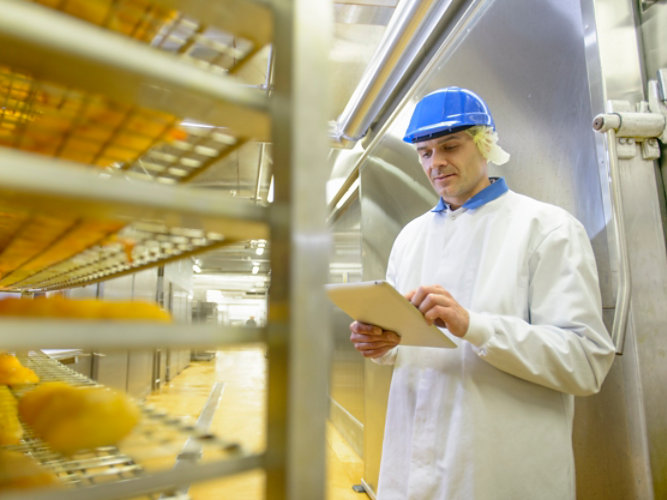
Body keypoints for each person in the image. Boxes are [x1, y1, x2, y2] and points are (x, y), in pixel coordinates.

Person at [349, 86, 616, 499]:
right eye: (424, 152)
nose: (435, 162)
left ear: (485, 144)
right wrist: (383, 344)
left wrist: (474, 326)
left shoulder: (547, 229)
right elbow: (412, 351)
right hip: (412, 471)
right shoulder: (410, 238)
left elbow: (585, 361)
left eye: (449, 146)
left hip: (501, 473)